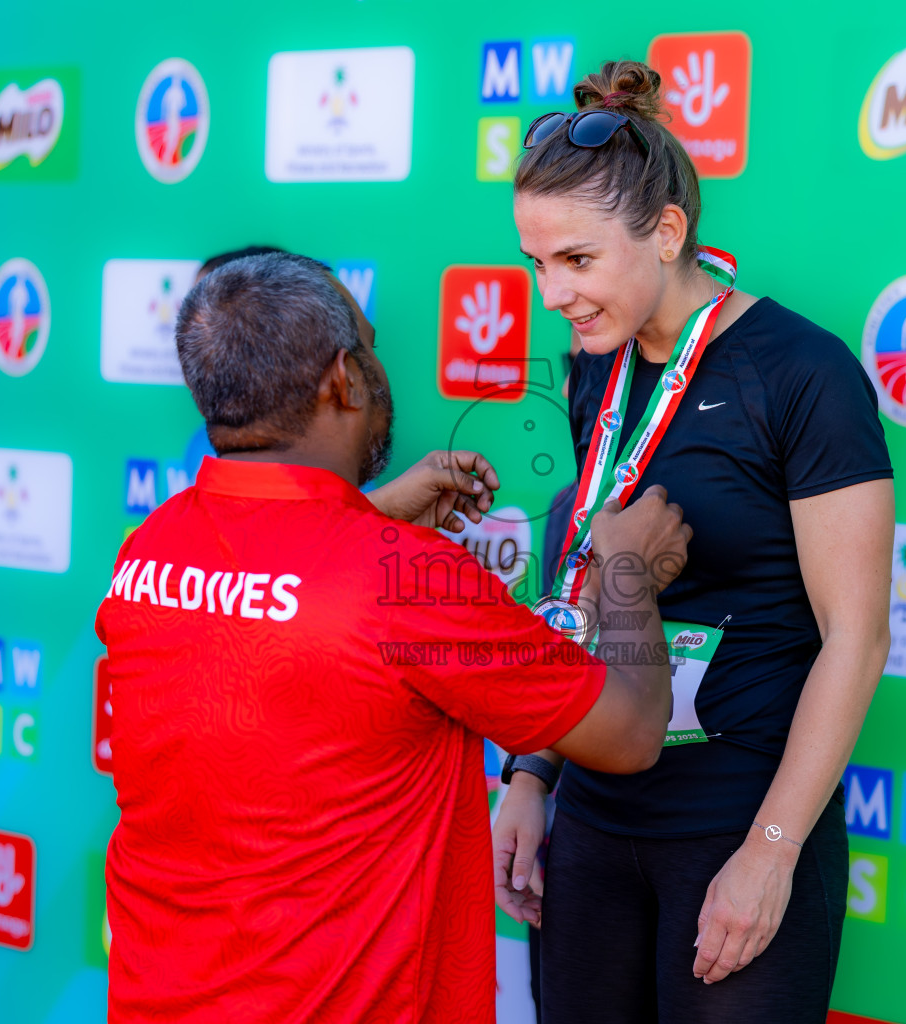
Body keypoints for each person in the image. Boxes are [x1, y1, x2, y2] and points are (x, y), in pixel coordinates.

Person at [95, 251, 694, 1023]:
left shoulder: (151, 548)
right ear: (342, 378)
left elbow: (279, 585)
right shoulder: (404, 580)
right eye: (372, 349)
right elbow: (634, 731)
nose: (382, 371)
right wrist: (629, 578)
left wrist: (364, 512)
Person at [494, 60, 896, 1023]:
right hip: (594, 818)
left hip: (735, 823)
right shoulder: (596, 365)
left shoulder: (803, 373)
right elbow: (585, 582)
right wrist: (532, 771)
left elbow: (858, 637)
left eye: (577, 261)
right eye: (535, 265)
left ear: (668, 233)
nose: (552, 294)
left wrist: (769, 853)